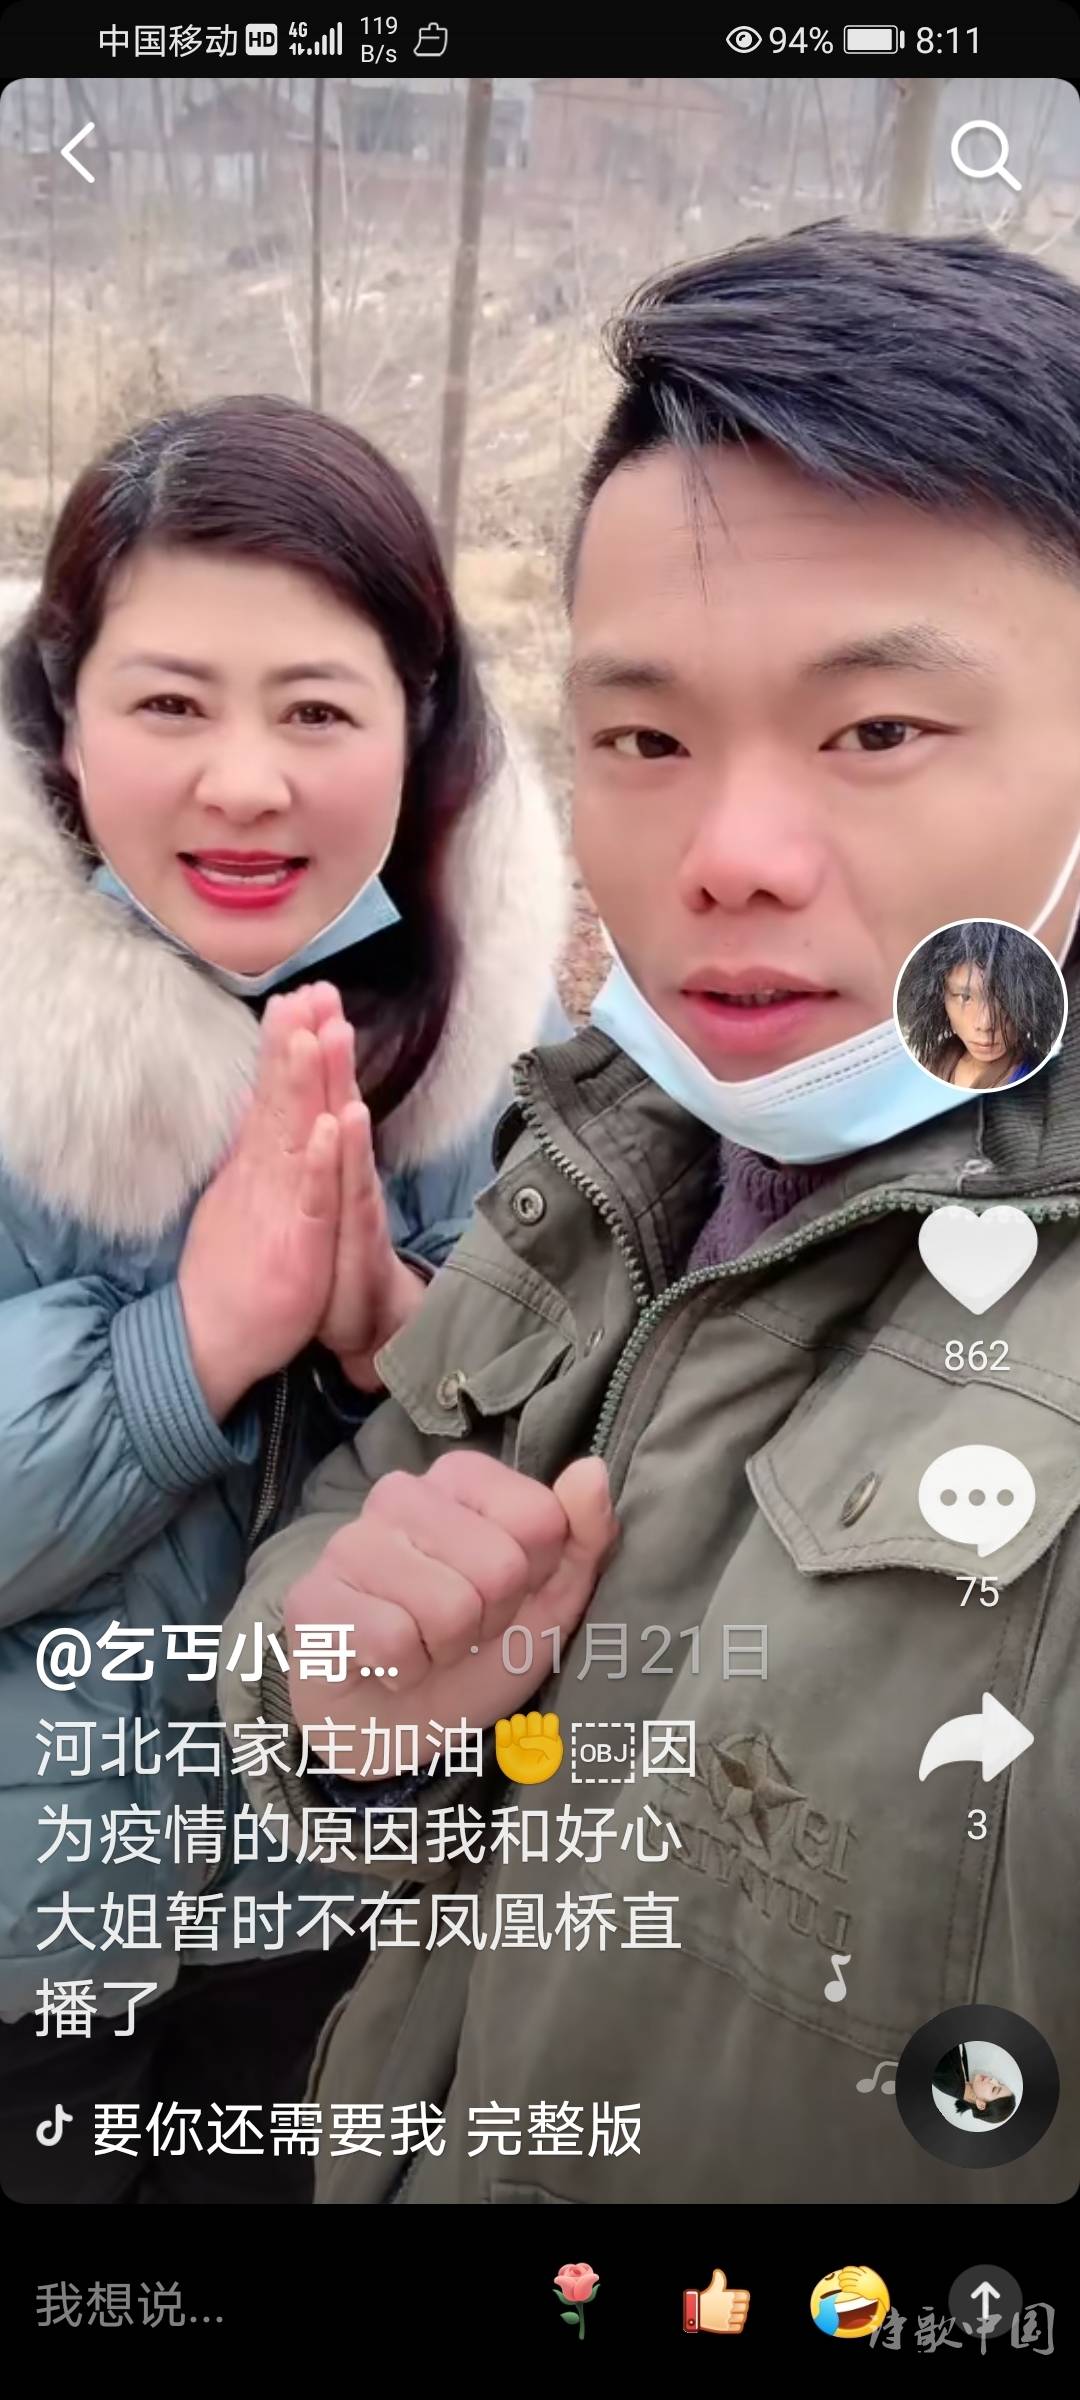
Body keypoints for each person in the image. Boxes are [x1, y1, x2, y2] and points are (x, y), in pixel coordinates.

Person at [220, 222, 1080, 2205]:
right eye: (645, 739)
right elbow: (367, 1527)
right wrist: (352, 1704)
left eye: (877, 732)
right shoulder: (622, 1140)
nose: (727, 855)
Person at [0, 394, 569, 2204]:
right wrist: (187, 1350)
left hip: (334, 1929)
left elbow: (598, 1507)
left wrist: (406, 1338)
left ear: (420, 725)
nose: (245, 784)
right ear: (62, 719)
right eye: (170, 704)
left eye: (317, 711)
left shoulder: (516, 1055)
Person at [897, 921, 1062, 1088]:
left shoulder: (1044, 1082)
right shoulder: (930, 1062)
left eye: (1004, 999)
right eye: (965, 997)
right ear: (939, 997)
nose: (985, 1024)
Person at [932, 2046, 1016, 2124]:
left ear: (981, 2104)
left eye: (994, 2089)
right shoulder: (964, 2078)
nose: (993, 2080)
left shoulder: (948, 2078)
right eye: (999, 2082)